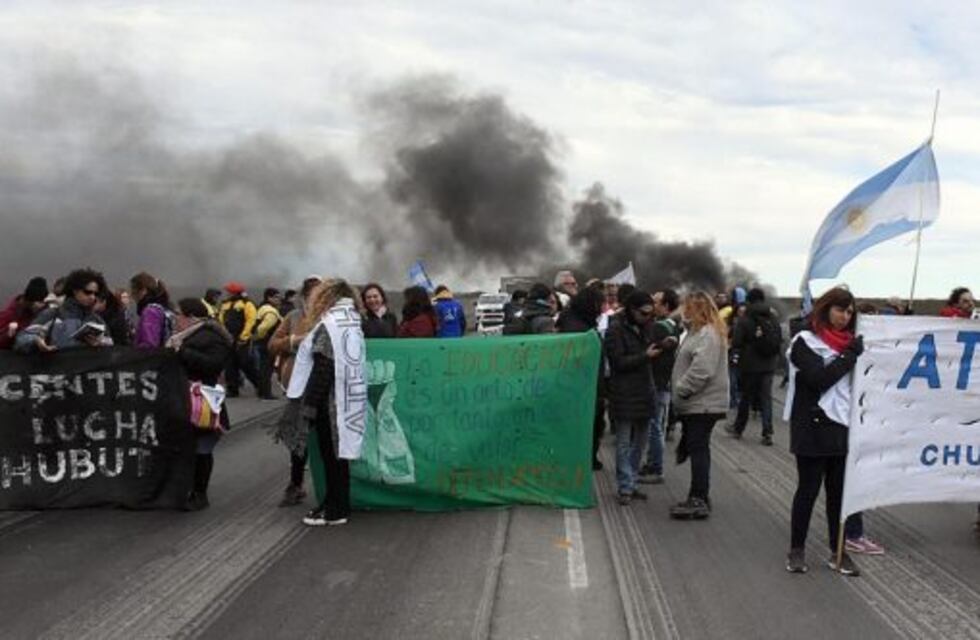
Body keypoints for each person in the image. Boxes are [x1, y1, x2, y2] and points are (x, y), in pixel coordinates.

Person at [785, 286, 864, 576]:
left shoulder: (850, 344)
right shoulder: (804, 342)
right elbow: (819, 379)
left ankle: (838, 551)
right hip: (812, 425)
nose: (845, 317)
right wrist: (848, 357)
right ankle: (796, 550)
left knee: (838, 494)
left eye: (850, 312)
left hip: (842, 426)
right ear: (826, 308)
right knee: (808, 490)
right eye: (840, 310)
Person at [287, 279, 365, 527]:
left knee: (332, 459)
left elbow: (323, 367)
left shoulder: (329, 325)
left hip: (330, 405)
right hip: (348, 401)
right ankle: (335, 504)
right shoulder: (351, 320)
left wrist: (309, 406)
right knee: (339, 459)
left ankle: (335, 510)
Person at [168, 298, 234, 511]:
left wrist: (182, 352)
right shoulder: (186, 336)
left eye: (178, 314)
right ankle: (188, 490)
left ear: (191, 317)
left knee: (202, 448)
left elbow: (213, 365)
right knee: (190, 447)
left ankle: (200, 493)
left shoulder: (211, 337)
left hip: (203, 400)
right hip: (186, 398)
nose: (175, 319)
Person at [669, 291, 729, 520]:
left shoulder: (707, 334)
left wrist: (682, 389)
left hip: (702, 404)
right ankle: (700, 495)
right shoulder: (699, 332)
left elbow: (703, 369)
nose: (683, 311)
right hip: (699, 403)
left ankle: (698, 498)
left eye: (687, 307)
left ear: (696, 310)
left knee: (699, 449)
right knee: (698, 448)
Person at [269, 275, 322, 507]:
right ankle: (296, 484)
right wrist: (294, 340)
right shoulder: (293, 317)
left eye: (319, 294)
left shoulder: (332, 318)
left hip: (325, 383)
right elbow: (272, 344)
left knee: (327, 436)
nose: (314, 298)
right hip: (298, 385)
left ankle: (332, 487)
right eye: (310, 294)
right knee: (297, 436)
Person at [604, 290, 658, 506]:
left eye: (650, 313)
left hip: (645, 390)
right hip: (624, 392)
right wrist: (645, 356)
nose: (647, 317)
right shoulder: (615, 330)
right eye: (643, 313)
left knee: (641, 441)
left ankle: (632, 480)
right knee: (624, 442)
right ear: (632, 310)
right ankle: (625, 485)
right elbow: (618, 362)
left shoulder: (648, 327)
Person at [557, 287, 606, 469]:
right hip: (583, 390)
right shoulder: (579, 329)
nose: (602, 309)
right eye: (600, 304)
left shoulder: (573, 321)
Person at [726, 288, 780, 446]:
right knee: (766, 398)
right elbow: (779, 339)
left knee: (746, 397)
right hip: (769, 364)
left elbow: (737, 341)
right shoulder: (772, 317)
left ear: (749, 300)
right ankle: (767, 432)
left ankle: (738, 429)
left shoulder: (745, 318)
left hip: (750, 364)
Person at [639, 289, 682, 484]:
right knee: (658, 426)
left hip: (656, 382)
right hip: (665, 382)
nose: (652, 305)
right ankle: (653, 464)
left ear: (666, 306)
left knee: (654, 427)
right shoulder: (674, 325)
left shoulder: (658, 327)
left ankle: (655, 468)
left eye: (656, 302)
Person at [15, 268, 113, 353]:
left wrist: (100, 343)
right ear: (75, 291)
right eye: (87, 292)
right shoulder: (52, 315)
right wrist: (36, 341)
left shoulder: (97, 320)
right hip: (56, 367)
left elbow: (111, 347)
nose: (92, 297)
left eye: (96, 294)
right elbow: (22, 339)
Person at [219, 282, 259, 397]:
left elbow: (251, 321)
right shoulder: (225, 304)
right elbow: (221, 320)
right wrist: (224, 334)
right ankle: (232, 389)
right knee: (230, 365)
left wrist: (244, 336)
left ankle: (259, 385)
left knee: (245, 363)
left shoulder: (247, 304)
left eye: (228, 292)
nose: (226, 294)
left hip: (242, 339)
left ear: (234, 293)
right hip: (228, 338)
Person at [251, 288, 283, 400]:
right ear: (269, 297)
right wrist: (259, 336)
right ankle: (266, 393)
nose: (279, 299)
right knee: (267, 369)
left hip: (262, 343)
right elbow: (264, 327)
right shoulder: (271, 312)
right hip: (268, 343)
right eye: (276, 297)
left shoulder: (262, 308)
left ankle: (261, 391)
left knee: (262, 367)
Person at [0, 277, 49, 350]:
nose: (43, 305)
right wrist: (9, 334)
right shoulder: (10, 315)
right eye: (40, 302)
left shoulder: (42, 309)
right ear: (32, 302)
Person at [130, 272, 174, 349]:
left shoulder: (150, 312)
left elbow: (149, 344)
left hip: (152, 355)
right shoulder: (164, 308)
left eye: (133, 290)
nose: (132, 295)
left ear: (143, 291)